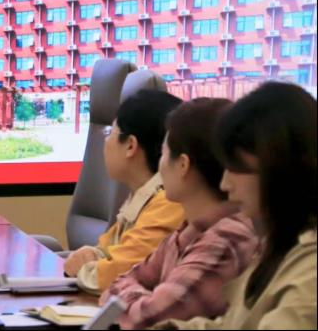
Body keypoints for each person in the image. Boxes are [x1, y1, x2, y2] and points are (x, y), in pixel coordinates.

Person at [157, 82, 316, 330]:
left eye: (236, 168)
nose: (225, 184)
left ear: (279, 168)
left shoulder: (310, 271)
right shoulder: (277, 245)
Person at [103, 98, 257, 328]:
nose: (160, 166)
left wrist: (135, 299)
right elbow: (118, 283)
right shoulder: (189, 231)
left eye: (163, 154)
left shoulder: (225, 241)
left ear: (183, 165)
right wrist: (141, 298)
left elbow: (149, 320)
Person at [63, 89, 186, 293]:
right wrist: (90, 257)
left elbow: (115, 277)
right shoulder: (142, 196)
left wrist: (84, 268)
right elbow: (106, 252)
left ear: (130, 146)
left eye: (109, 133)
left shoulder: (168, 202)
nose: (105, 141)